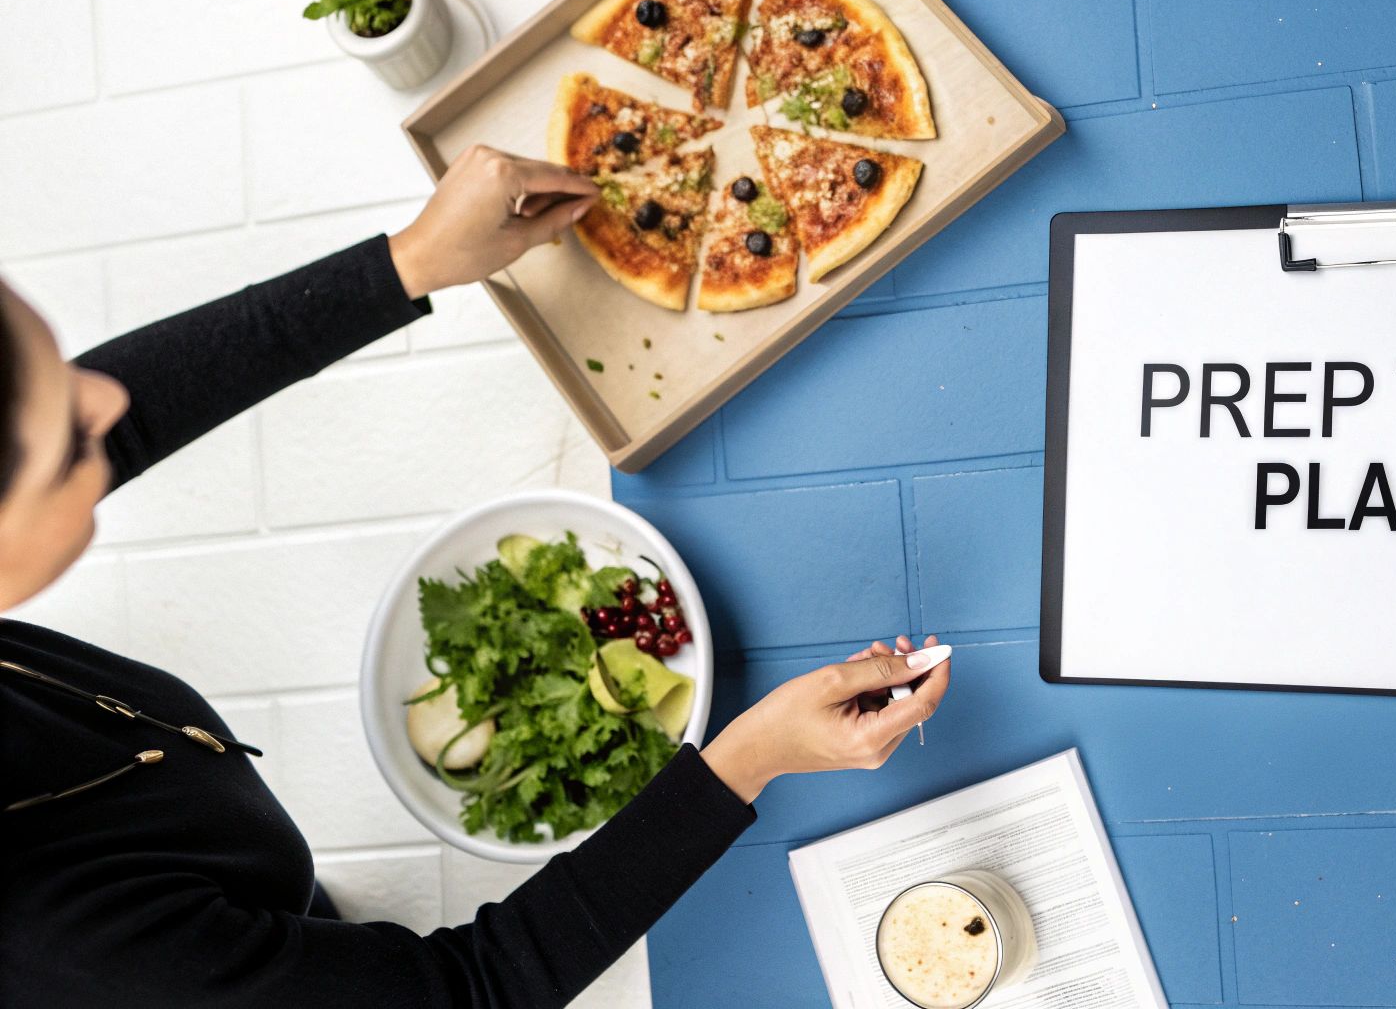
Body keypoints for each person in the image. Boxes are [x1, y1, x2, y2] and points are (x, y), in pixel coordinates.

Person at [0, 145, 953, 1007]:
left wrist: (409, 261)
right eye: (74, 441)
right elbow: (473, 989)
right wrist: (747, 761)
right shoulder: (78, 952)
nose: (109, 402)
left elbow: (123, 413)